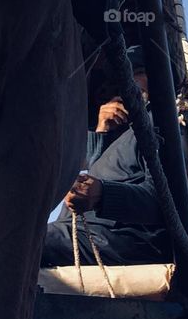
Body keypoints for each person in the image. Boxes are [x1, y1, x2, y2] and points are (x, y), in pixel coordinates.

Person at [41, 47, 171, 268]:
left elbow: (167, 204)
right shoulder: (121, 135)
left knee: (18, 243)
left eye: (138, 72)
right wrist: (102, 132)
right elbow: (93, 178)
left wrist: (102, 194)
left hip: (125, 241)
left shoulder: (162, 126)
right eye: (123, 76)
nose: (129, 82)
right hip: (82, 234)